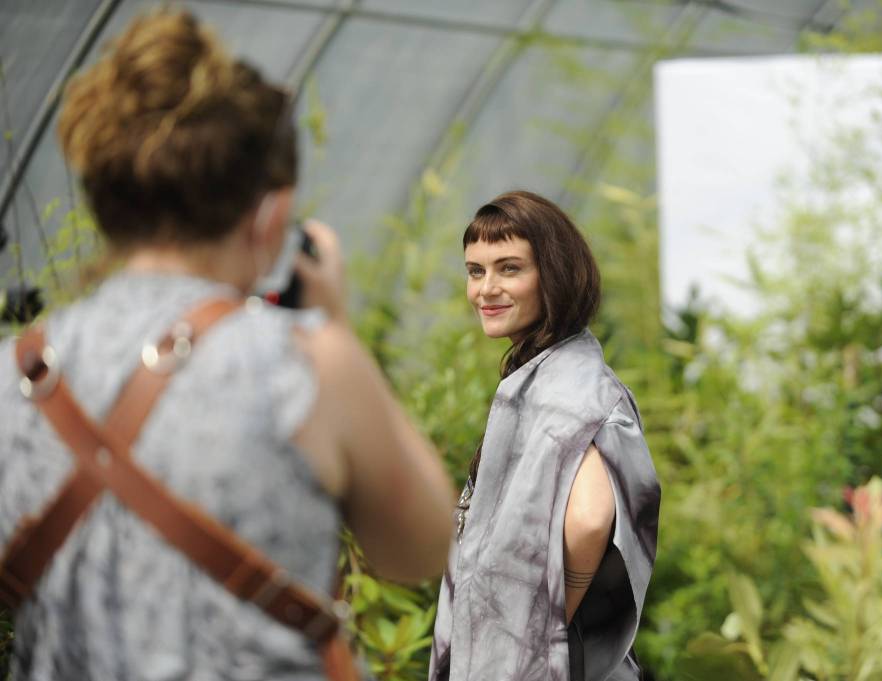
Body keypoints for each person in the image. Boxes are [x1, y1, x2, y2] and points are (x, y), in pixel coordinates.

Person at [0, 10, 453, 680]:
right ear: (270, 216)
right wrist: (340, 328)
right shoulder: (308, 363)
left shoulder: (15, 375)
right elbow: (423, 548)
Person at [429, 191, 661, 681]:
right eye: (476, 271)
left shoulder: (573, 388)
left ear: (553, 274)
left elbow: (591, 519)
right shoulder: (542, 378)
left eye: (509, 268)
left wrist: (542, 620)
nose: (485, 288)